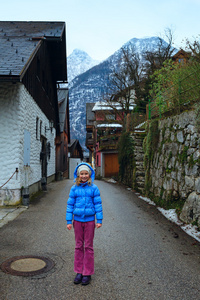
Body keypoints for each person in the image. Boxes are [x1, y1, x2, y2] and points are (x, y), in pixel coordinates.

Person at [66, 162, 103, 285]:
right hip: (77, 220)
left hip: (90, 221)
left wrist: (99, 220)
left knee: (88, 246)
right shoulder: (74, 188)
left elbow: (98, 204)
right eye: (81, 173)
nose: (84, 176)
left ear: (89, 174)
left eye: (86, 173)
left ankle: (87, 273)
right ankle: (79, 271)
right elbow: (70, 204)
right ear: (78, 175)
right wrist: (68, 221)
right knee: (78, 246)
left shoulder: (94, 188)